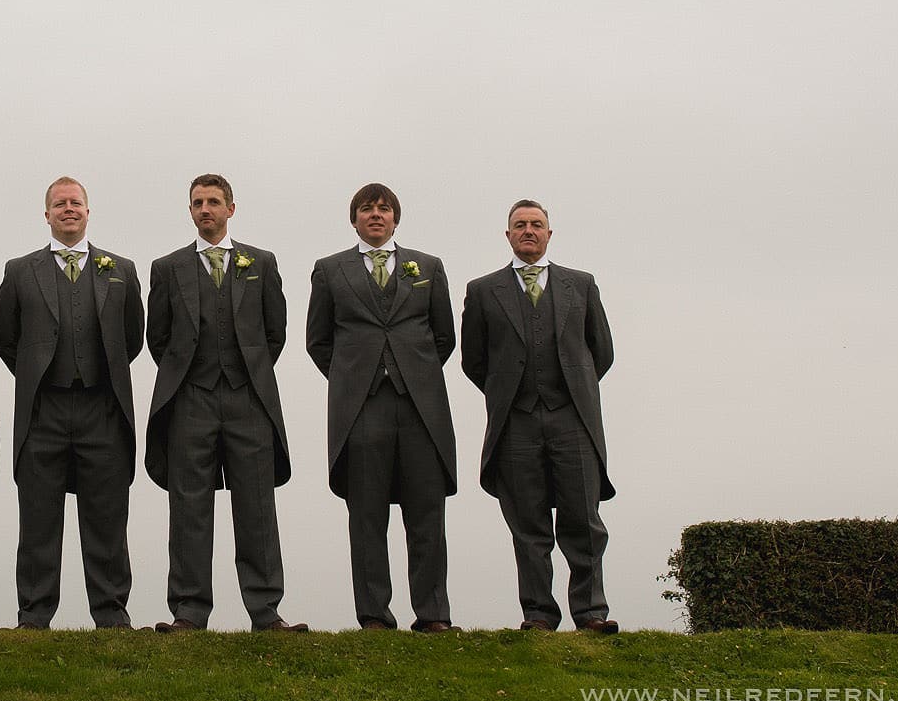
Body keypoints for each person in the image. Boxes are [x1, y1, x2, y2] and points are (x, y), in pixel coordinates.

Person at [145, 175, 304, 632]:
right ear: (190, 211)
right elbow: (158, 338)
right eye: (197, 202)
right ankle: (189, 612)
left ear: (231, 209)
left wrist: (245, 372)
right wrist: (189, 376)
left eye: (213, 202)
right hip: (189, 401)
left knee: (257, 508)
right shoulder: (167, 268)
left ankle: (266, 612)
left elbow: (274, 333)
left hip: (247, 400)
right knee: (189, 508)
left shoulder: (262, 263)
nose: (205, 209)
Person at [306, 183, 458, 632]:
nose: (376, 214)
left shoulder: (427, 267)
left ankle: (433, 614)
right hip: (361, 409)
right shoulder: (329, 270)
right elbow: (318, 341)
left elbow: (444, 336)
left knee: (426, 514)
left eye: (384, 208)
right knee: (367, 515)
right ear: (354, 219)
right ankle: (374, 615)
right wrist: (355, 378)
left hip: (420, 408)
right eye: (367, 208)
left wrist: (413, 372)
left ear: (395, 218)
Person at [0, 176, 145, 629]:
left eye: (75, 202)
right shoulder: (20, 271)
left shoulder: (121, 269)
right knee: (38, 517)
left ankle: (112, 614)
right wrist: (39, 374)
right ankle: (34, 616)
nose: (68, 209)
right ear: (47, 215)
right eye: (59, 204)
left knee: (107, 517)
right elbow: (6, 339)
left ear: (87, 211)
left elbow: (132, 339)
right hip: (44, 411)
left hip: (103, 408)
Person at [461, 199, 618, 633]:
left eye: (536, 224)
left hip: (573, 420)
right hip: (516, 422)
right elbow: (474, 360)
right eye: (520, 225)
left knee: (583, 521)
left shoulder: (580, 285)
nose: (528, 230)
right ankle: (538, 614)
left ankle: (591, 612)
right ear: (508, 235)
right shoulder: (482, 290)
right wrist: (509, 393)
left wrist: (573, 388)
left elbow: (601, 351)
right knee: (528, 524)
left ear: (549, 233)